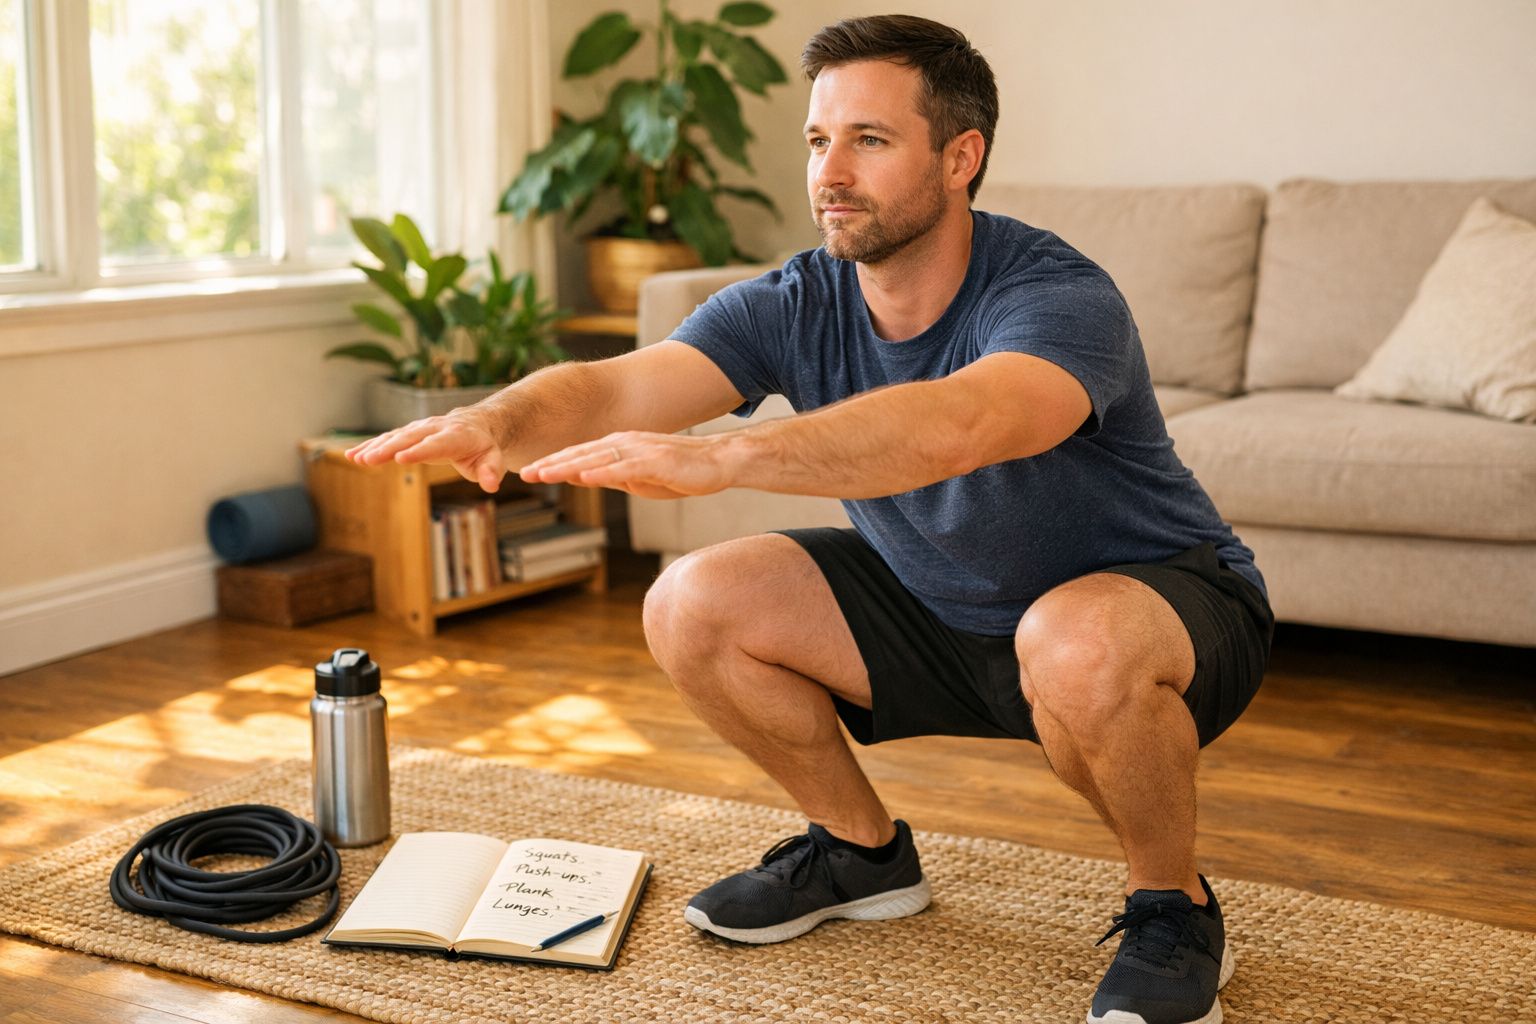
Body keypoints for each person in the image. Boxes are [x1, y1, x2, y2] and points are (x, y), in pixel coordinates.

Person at [346, 14, 1273, 1024]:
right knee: (692, 601)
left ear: (961, 157)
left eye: (869, 140)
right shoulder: (795, 298)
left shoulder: (1057, 294)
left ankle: (1172, 907)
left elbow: (962, 423)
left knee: (1074, 641)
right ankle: (861, 854)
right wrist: (498, 416)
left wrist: (727, 454)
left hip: (1154, 609)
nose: (831, 170)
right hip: (938, 609)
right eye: (819, 140)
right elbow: (618, 385)